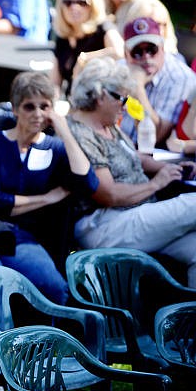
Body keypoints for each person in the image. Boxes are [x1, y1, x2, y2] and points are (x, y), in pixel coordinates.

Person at [0, 72, 99, 303]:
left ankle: (46, 339)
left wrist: (65, 132)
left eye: (45, 106)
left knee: (54, 289)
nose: (38, 114)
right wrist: (46, 199)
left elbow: (88, 183)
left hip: (31, 239)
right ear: (16, 109)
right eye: (30, 107)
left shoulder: (55, 148)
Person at [67, 57, 196, 288]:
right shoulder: (79, 132)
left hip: (137, 214)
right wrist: (156, 183)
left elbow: (135, 157)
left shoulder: (107, 125)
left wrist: (170, 168)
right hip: (105, 224)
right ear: (99, 95)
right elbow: (108, 194)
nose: (124, 105)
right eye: (120, 97)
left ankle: (184, 320)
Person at [117, 17, 196, 146]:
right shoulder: (118, 70)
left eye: (151, 49)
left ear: (162, 48)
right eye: (137, 52)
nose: (146, 57)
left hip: (154, 157)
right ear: (126, 55)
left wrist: (138, 90)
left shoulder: (179, 78)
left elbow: (155, 137)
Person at [52, 0, 123, 95]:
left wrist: (87, 58)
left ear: (93, 5)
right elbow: (54, 84)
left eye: (82, 2)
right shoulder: (62, 38)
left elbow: (120, 52)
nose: (74, 8)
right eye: (68, 2)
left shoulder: (103, 28)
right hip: (73, 103)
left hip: (101, 99)